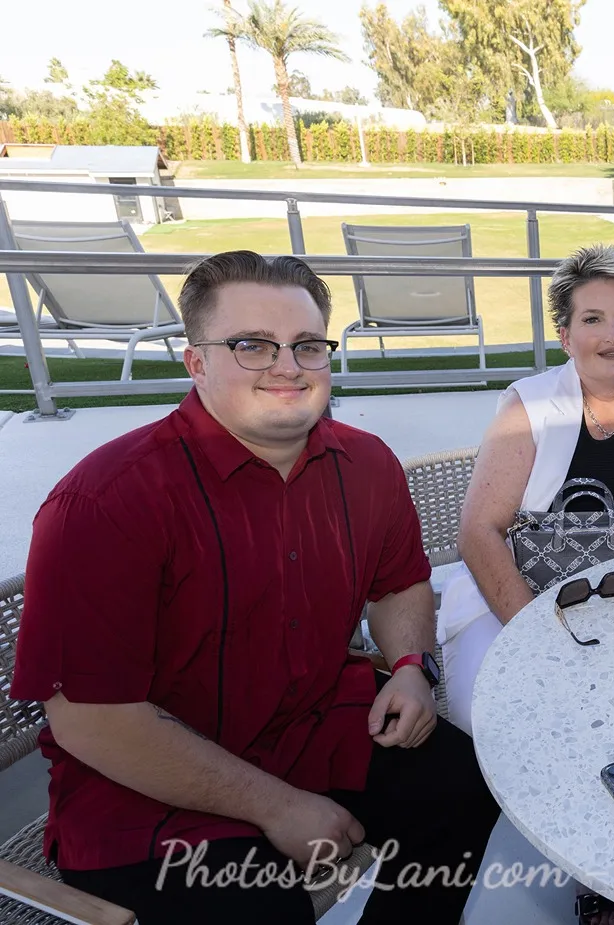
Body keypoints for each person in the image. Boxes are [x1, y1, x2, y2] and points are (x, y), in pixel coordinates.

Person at [11, 251, 499, 925]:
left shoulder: (368, 465)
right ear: (196, 362)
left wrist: (414, 667)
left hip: (311, 723)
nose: (287, 366)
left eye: (307, 345)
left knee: (468, 789)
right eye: (253, 345)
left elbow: (399, 585)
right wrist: (278, 806)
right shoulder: (105, 503)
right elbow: (93, 720)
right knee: (262, 908)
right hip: (149, 777)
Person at [438, 243, 614, 732]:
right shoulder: (527, 408)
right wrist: (539, 632)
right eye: (592, 319)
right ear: (565, 337)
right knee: (502, 719)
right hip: (510, 602)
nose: (613, 335)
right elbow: (477, 533)